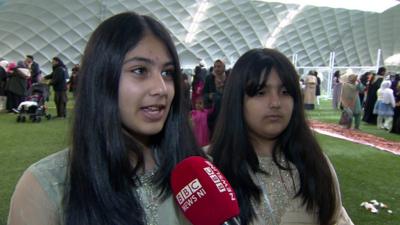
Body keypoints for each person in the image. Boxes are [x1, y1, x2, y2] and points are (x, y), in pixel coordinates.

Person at [8, 11, 205, 225]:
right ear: (101, 78)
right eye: (140, 70)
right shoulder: (47, 186)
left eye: (167, 73)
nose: (161, 88)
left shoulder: (201, 174)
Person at [209, 48, 353, 225]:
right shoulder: (208, 168)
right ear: (237, 99)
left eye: (285, 92)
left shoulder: (315, 162)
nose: (276, 103)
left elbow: (335, 218)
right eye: (261, 92)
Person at [203, 59, 226, 135]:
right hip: (213, 112)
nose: (216, 69)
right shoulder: (209, 78)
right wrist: (210, 96)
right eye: (215, 66)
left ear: (224, 67)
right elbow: (204, 94)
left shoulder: (229, 78)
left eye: (219, 66)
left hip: (226, 112)